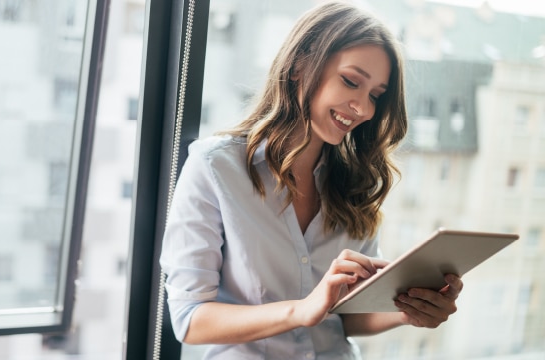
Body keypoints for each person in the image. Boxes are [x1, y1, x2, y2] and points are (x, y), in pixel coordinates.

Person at [160, 1, 463, 359]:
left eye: (375, 97)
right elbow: (190, 319)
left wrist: (408, 311)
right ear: (300, 65)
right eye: (351, 81)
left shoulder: (356, 183)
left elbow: (346, 317)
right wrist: (301, 309)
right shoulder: (215, 167)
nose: (364, 109)